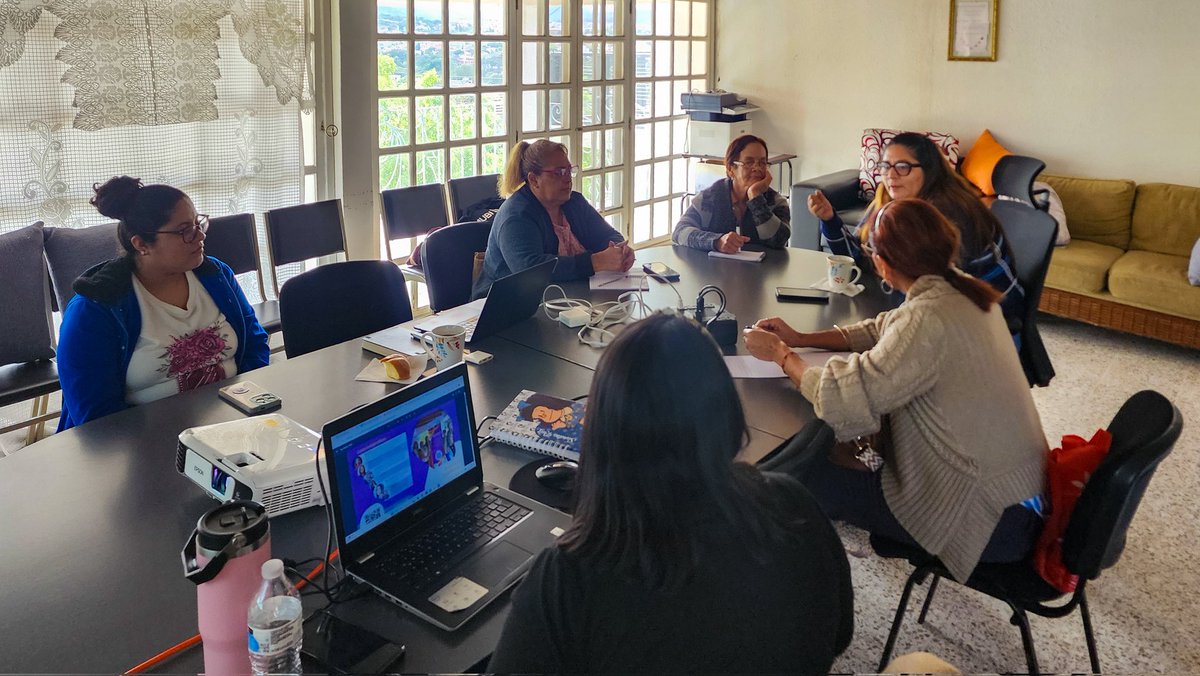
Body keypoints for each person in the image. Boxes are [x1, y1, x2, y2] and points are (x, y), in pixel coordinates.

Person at [489, 313, 853, 673]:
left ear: (602, 430)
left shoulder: (568, 578)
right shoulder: (794, 504)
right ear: (726, 410)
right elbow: (838, 634)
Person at [744, 199, 1047, 583]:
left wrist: (782, 355)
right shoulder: (960, 289)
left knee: (799, 477)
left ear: (883, 263)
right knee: (822, 450)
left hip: (984, 519)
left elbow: (843, 395)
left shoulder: (928, 318)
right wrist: (802, 338)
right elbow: (885, 327)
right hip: (1018, 496)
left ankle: (786, 585)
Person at [56, 176, 270, 431]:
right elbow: (95, 417)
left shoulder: (216, 275)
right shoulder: (95, 309)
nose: (200, 235)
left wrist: (244, 408)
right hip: (141, 441)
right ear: (141, 244)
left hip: (228, 422)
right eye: (184, 231)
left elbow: (254, 343)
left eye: (198, 223)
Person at [809, 132, 1024, 334]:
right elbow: (861, 258)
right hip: (938, 308)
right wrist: (830, 220)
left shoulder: (948, 214)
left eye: (903, 167)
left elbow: (932, 294)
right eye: (885, 166)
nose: (891, 175)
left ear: (929, 170)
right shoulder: (892, 203)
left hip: (985, 323)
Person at [471, 139, 634, 299]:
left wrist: (619, 252)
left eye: (569, 170)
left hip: (567, 297)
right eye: (559, 172)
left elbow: (609, 236)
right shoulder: (516, 216)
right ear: (534, 179)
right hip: (507, 303)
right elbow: (530, 269)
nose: (568, 178)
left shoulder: (575, 203)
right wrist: (594, 262)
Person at [673, 134, 791, 253]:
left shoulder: (776, 201)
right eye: (749, 162)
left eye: (762, 163)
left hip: (766, 265)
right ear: (730, 169)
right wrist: (717, 241)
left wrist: (755, 198)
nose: (757, 168)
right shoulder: (710, 198)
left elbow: (779, 240)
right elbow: (680, 232)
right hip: (714, 264)